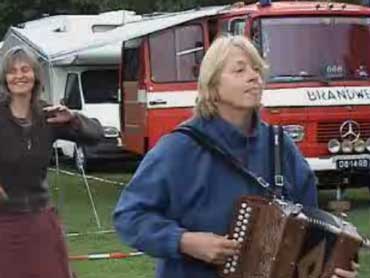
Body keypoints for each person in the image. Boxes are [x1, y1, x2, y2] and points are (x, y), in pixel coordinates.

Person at [113, 35, 359, 278]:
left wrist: (329, 264)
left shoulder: (279, 145)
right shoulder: (179, 148)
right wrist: (184, 241)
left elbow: (309, 228)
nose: (254, 77)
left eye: (256, 69)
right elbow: (130, 216)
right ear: (212, 84)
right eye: (239, 70)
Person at [0, 46, 103, 278]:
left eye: (25, 69)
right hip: (3, 223)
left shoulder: (49, 115)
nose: (19, 76)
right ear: (5, 78)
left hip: (40, 221)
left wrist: (74, 119)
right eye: (12, 71)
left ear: (35, 75)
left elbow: (96, 135)